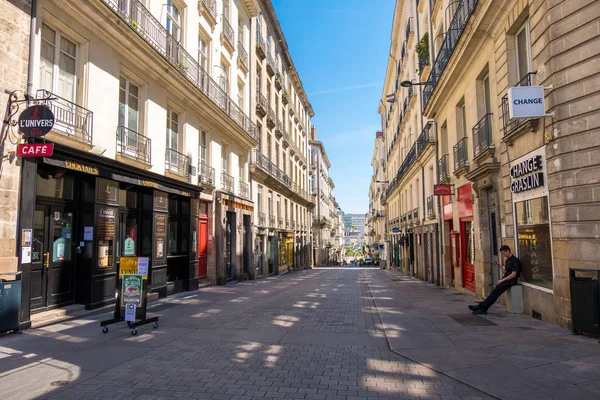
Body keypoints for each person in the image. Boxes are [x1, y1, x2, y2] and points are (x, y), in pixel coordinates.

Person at [469, 245, 521, 314]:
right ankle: (481, 307)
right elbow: (506, 272)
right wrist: (499, 265)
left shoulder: (515, 260)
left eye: (503, 253)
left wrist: (502, 280)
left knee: (495, 293)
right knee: (494, 293)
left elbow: (513, 274)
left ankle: (482, 307)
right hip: (506, 280)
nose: (503, 255)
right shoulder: (508, 261)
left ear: (508, 251)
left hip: (511, 281)